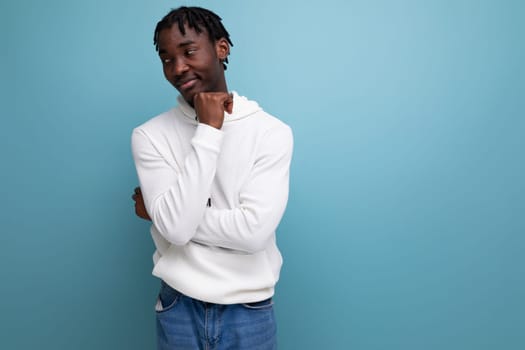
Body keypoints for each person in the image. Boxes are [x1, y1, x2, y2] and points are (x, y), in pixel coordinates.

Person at [130, 6, 293, 350]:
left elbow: (252, 233)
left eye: (189, 51)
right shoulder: (149, 136)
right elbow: (175, 229)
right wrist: (209, 129)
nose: (178, 68)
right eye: (166, 59)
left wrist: (163, 213)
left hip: (249, 310)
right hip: (178, 307)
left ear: (221, 48)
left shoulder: (271, 132)